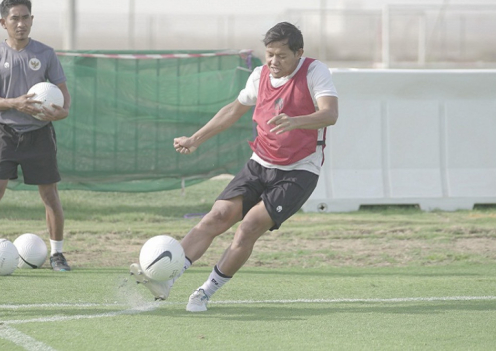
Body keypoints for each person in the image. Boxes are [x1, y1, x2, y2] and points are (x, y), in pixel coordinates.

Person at [130, 22, 339, 311]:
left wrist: (296, 120)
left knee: (249, 227)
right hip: (260, 163)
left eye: (282, 56)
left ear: (299, 53)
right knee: (218, 216)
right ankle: (167, 279)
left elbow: (330, 114)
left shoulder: (315, 72)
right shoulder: (259, 76)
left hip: (299, 170)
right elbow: (232, 110)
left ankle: (205, 292)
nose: (274, 62)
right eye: (269, 54)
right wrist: (195, 139)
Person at [0, 0, 72, 273]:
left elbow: (65, 101)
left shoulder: (46, 53)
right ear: (3, 22)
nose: (21, 23)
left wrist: (58, 113)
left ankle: (57, 255)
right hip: (6, 132)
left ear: (31, 20)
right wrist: (14, 102)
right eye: (14, 18)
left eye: (25, 17)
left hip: (40, 133)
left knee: (50, 195)